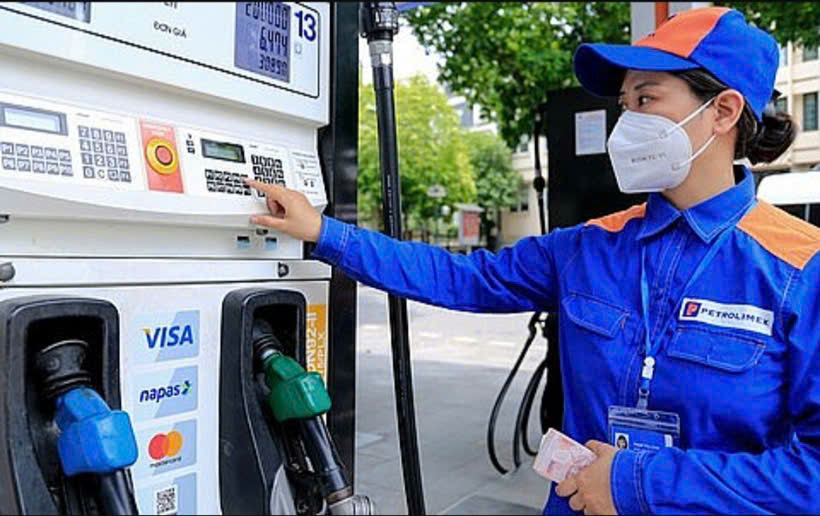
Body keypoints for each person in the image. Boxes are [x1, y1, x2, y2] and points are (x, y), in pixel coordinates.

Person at [245, 7, 820, 515]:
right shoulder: (588, 246)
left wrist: (638, 482)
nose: (626, 124)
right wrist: (323, 232)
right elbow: (461, 278)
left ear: (723, 111)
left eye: (646, 99)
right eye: (624, 105)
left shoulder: (800, 269)